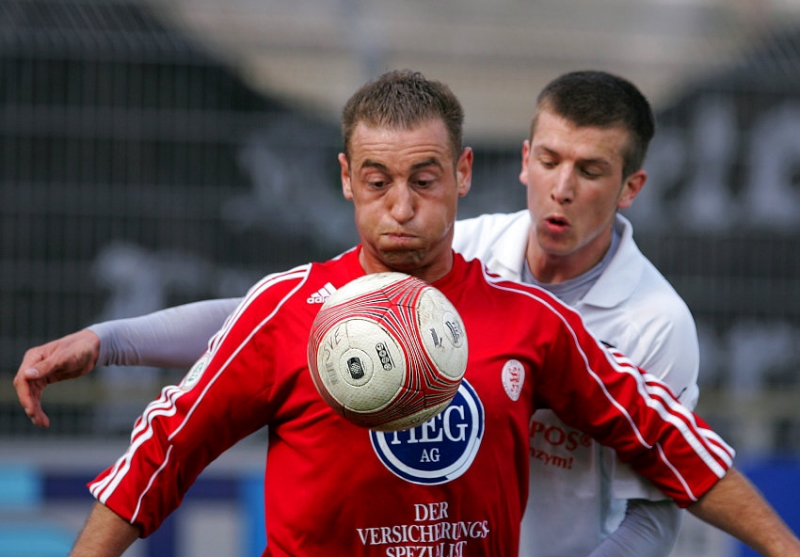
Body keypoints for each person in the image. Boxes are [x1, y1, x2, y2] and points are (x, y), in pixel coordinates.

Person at [15, 70, 800, 557]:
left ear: (463, 174)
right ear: (346, 180)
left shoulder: (536, 318)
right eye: (377, 181)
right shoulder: (289, 309)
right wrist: (110, 340)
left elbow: (668, 444)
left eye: (424, 179)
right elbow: (163, 451)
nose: (401, 207)